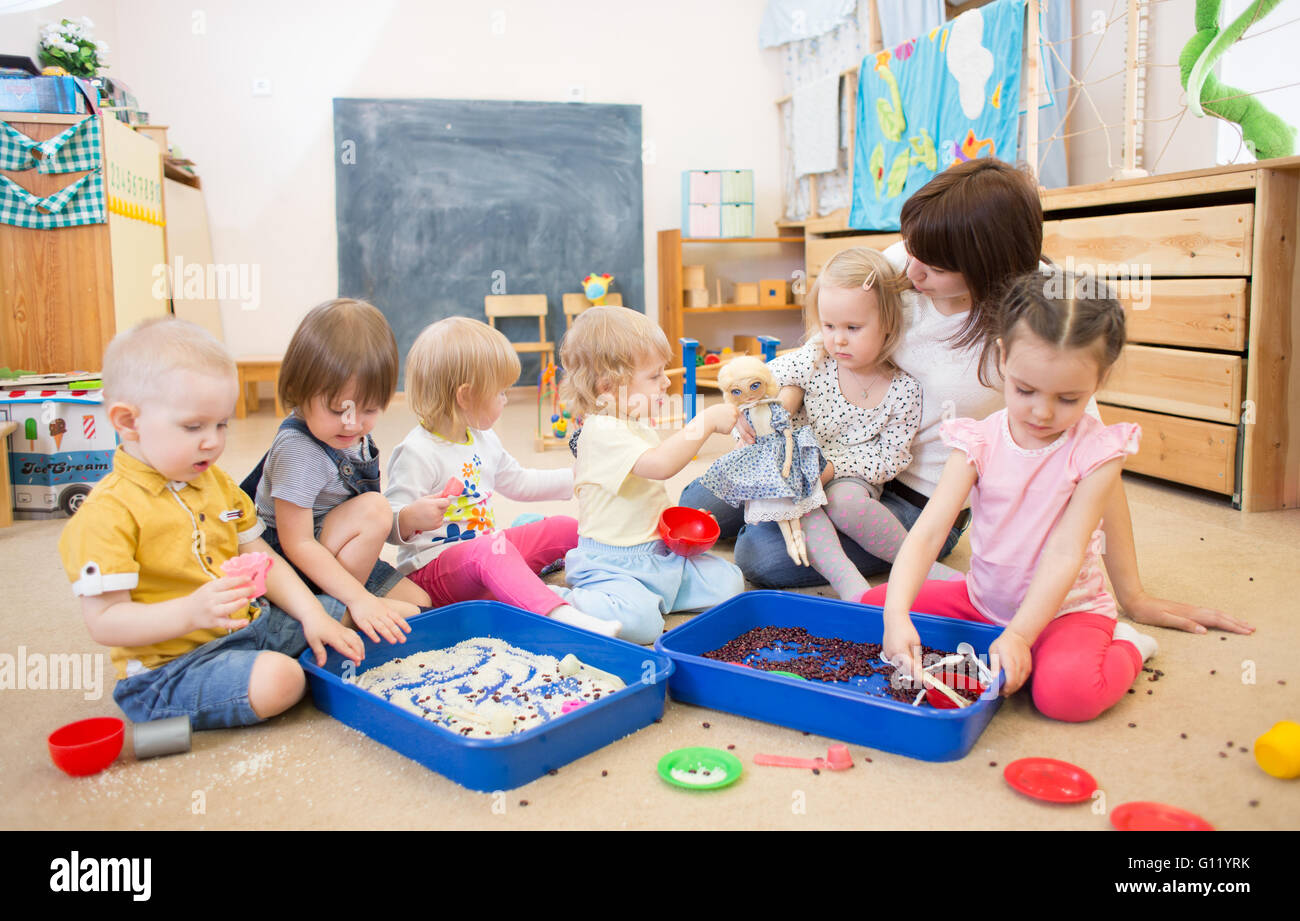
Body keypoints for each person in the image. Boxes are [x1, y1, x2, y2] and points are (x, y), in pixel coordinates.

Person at [682, 157, 1248, 638]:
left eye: (935, 264)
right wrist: (777, 411)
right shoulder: (912, 259)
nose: (912, 267)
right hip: (826, 451)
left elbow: (1096, 462)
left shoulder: (1033, 325)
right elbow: (829, 342)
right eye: (911, 247)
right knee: (696, 503)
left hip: (920, 494)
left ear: (985, 264)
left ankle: (899, 559)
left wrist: (1135, 594)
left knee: (760, 556)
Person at [869, 269, 1163, 720]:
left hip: (1066, 613)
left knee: (1067, 697)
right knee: (871, 612)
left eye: (1068, 398)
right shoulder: (977, 441)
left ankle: (1128, 647)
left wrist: (1022, 636)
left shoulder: (1099, 451)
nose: (1043, 412)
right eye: (1026, 390)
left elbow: (1066, 553)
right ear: (1003, 356)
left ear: (1099, 380)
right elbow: (928, 534)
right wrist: (896, 615)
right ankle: (992, 636)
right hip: (982, 601)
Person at [58, 318, 364, 730]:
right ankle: (287, 672)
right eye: (193, 427)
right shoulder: (106, 514)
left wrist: (312, 614)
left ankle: (290, 656)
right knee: (282, 679)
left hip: (253, 624)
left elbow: (260, 556)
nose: (213, 441)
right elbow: (105, 622)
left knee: (344, 616)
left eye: (221, 424)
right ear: (128, 422)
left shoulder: (216, 482)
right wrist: (190, 612)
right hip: (171, 670)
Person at [384, 317, 614, 635]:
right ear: (465, 397)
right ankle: (561, 615)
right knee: (492, 549)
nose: (505, 400)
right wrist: (410, 518)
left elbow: (518, 481)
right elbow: (388, 524)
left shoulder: (483, 438)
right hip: (431, 572)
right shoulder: (417, 451)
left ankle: (616, 569)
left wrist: (577, 476)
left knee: (565, 528)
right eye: (500, 393)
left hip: (486, 555)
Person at [552, 305, 744, 644]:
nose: (666, 382)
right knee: (642, 624)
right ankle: (556, 602)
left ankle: (651, 597)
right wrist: (705, 422)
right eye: (655, 376)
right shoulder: (601, 432)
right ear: (609, 387)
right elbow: (659, 465)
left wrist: (678, 524)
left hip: (656, 554)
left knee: (730, 582)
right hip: (611, 563)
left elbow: (642, 493)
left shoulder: (632, 425)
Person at [248, 298, 428, 646]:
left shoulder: (349, 429)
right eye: (338, 409)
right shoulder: (299, 450)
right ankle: (333, 611)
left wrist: (405, 520)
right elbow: (296, 542)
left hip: (335, 551)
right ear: (299, 390)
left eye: (370, 409)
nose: (353, 422)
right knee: (375, 509)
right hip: (295, 565)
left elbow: (356, 523)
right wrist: (359, 599)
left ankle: (347, 606)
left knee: (421, 606)